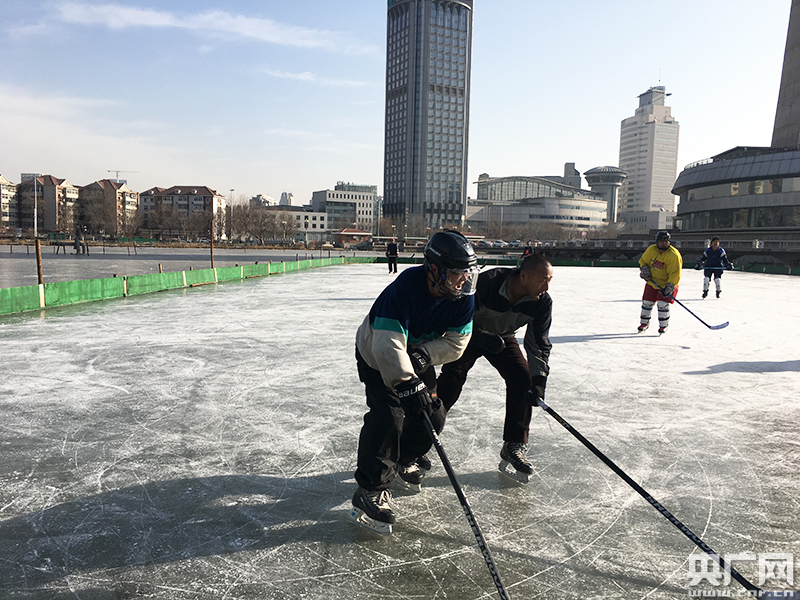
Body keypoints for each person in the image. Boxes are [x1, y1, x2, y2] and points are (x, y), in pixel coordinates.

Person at [351, 230, 479, 534]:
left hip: (415, 356)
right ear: (435, 269)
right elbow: (387, 345)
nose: (463, 281)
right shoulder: (406, 287)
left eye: (467, 273)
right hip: (376, 354)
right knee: (389, 416)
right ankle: (370, 489)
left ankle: (403, 459)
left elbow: (458, 341)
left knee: (432, 416)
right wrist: (408, 382)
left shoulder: (461, 297)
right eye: (457, 274)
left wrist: (423, 357)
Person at [436, 253, 553, 483]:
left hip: (502, 338)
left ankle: (514, 444)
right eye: (542, 279)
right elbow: (454, 313)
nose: (547, 286)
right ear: (523, 276)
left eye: (549, 280)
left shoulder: (541, 302)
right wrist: (479, 336)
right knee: (452, 378)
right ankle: (420, 435)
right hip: (468, 335)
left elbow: (538, 343)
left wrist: (539, 379)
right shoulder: (486, 283)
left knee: (522, 378)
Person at [638, 231, 683, 334]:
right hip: (652, 281)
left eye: (666, 241)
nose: (663, 243)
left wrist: (670, 286)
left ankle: (663, 326)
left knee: (663, 304)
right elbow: (643, 261)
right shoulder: (651, 250)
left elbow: (675, 273)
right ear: (657, 241)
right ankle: (644, 324)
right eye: (661, 241)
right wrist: (644, 269)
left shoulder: (673, 255)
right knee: (647, 303)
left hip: (668, 284)